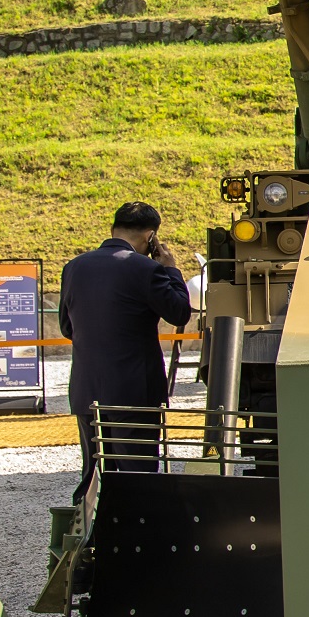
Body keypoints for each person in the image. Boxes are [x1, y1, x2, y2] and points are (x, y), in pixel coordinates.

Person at [60, 201, 193, 470]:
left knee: (95, 476)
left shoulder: (74, 267)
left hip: (88, 389)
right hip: (134, 393)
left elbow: (66, 327)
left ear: (113, 229)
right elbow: (179, 313)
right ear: (151, 237)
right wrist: (171, 269)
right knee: (137, 476)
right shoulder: (146, 269)